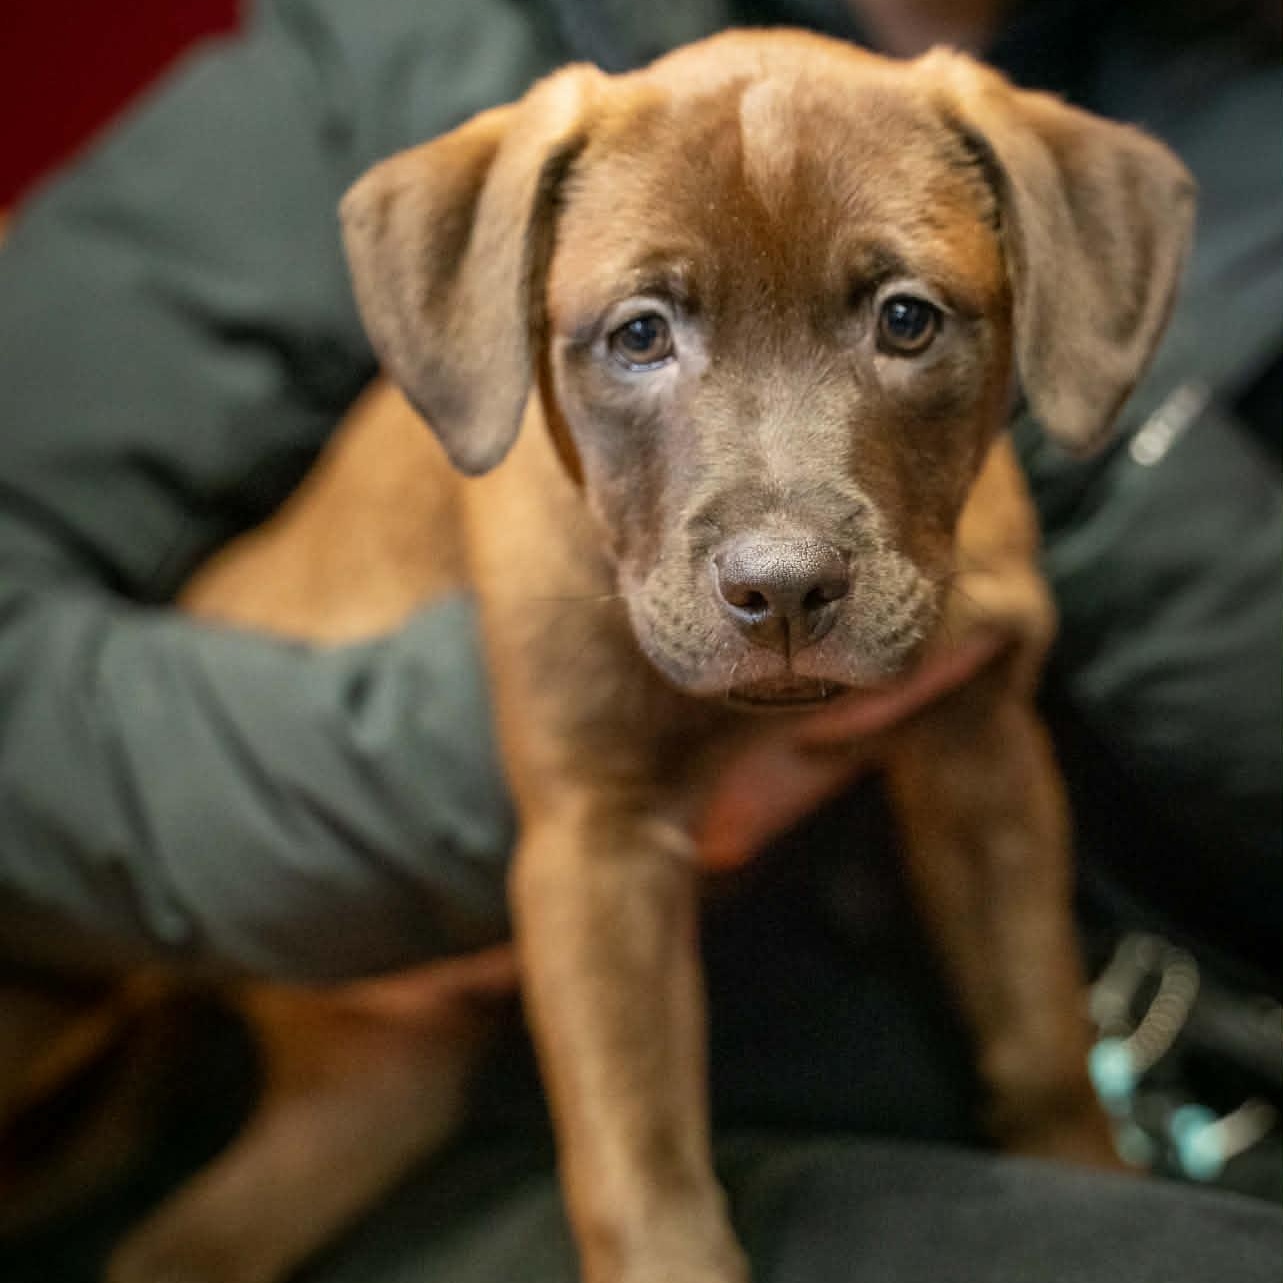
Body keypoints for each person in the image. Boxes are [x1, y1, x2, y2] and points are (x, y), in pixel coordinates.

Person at [1, 1, 1280, 1279]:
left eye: (903, 320)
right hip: (239, 898)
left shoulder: (1109, 114)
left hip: (907, 1040)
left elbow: (996, 745)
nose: (779, 552)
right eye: (639, 336)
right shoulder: (414, 69)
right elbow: (597, 823)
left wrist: (1061, 1117)